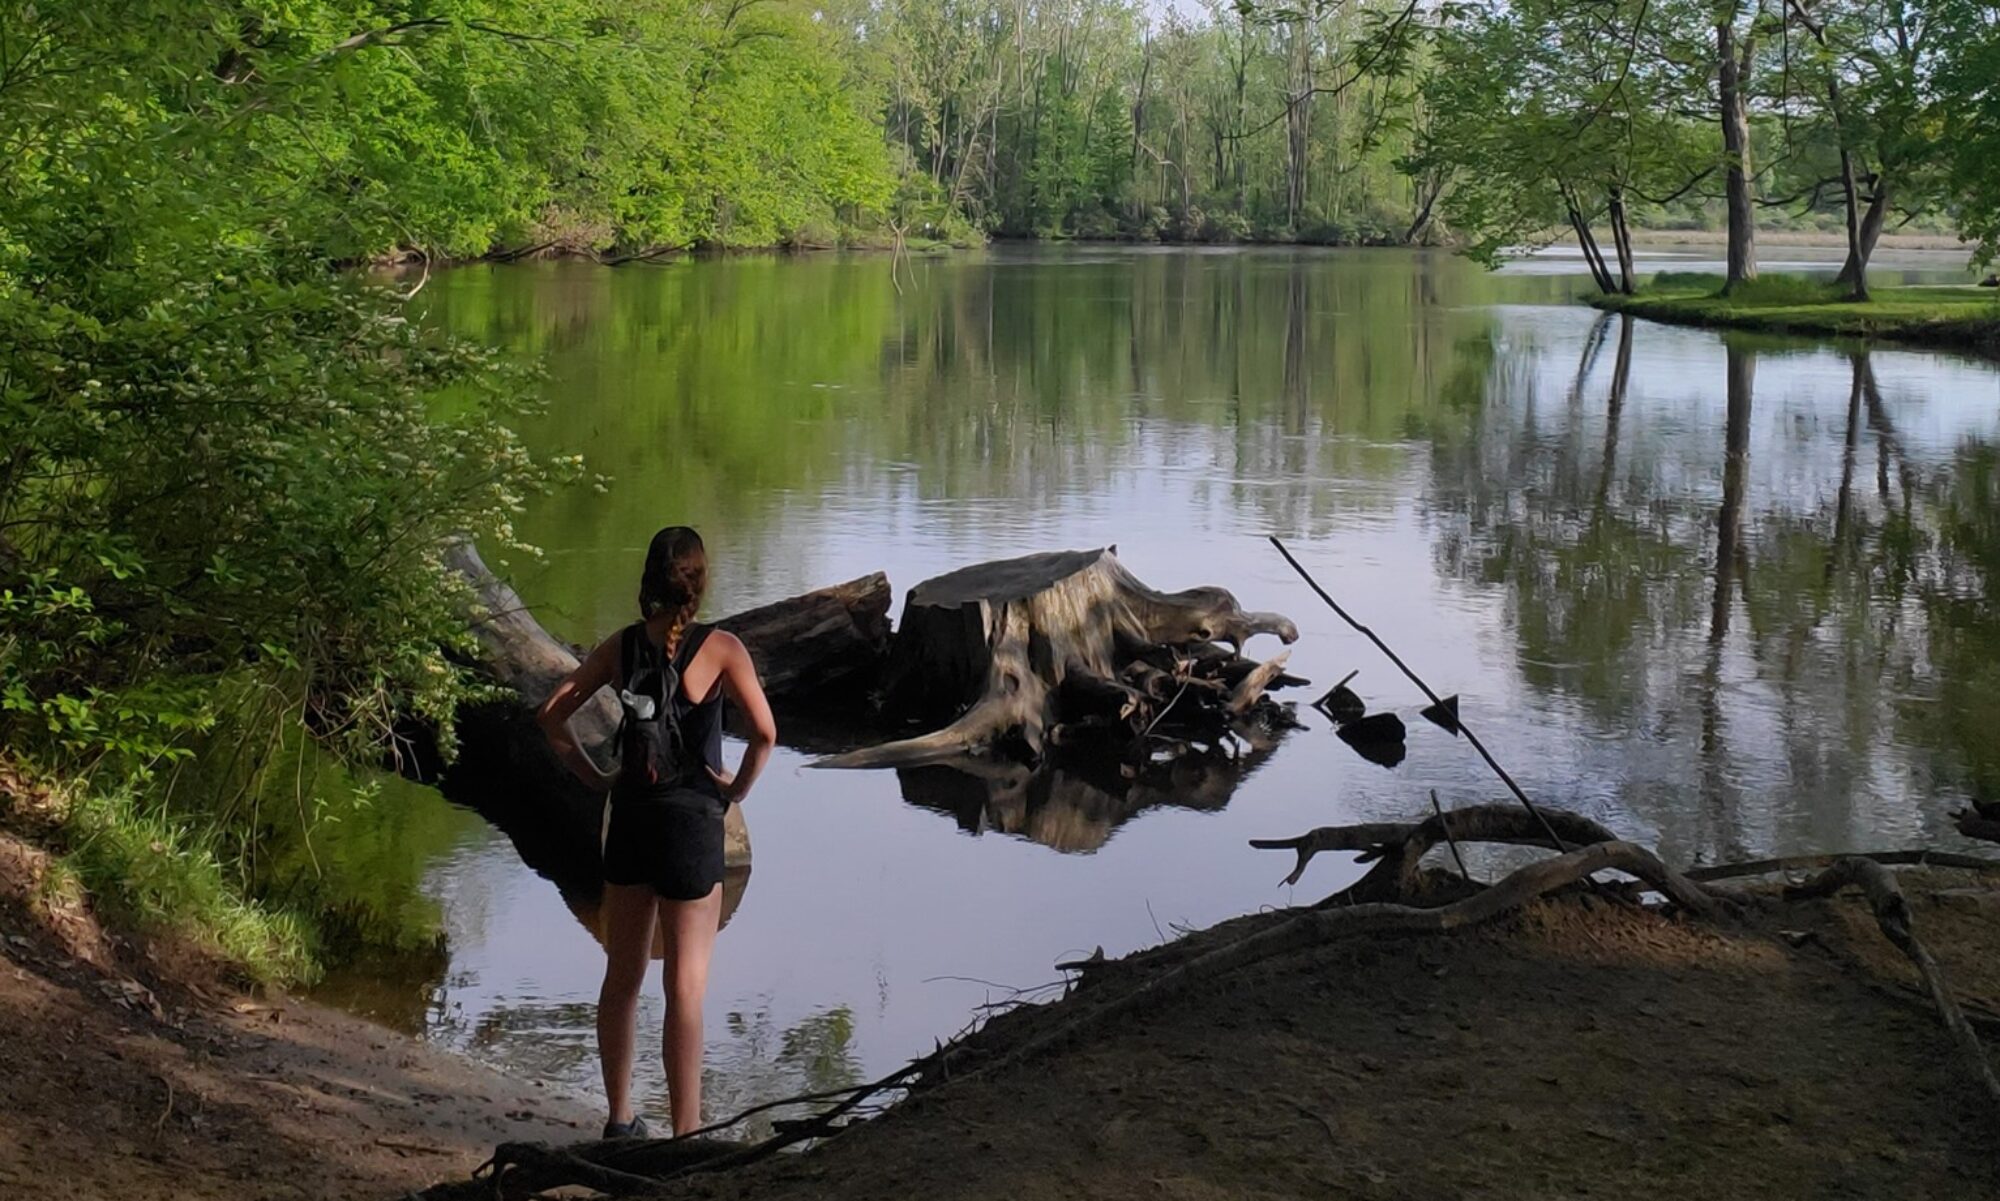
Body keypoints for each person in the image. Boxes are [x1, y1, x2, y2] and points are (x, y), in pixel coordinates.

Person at [536, 526, 777, 1139]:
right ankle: (685, 1135)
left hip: (632, 824)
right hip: (693, 829)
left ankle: (619, 1120)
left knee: (622, 976)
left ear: (647, 581)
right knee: (685, 989)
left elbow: (552, 713)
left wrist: (595, 776)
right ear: (699, 583)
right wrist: (737, 788)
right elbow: (766, 734)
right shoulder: (721, 649)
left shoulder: (620, 649)